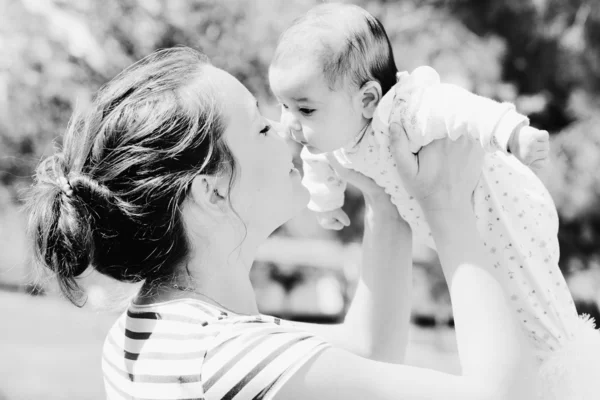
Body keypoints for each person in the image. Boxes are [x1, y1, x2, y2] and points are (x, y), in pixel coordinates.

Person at [26, 46, 535, 399]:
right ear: (213, 190)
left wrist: (384, 197)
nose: (289, 128)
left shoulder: (158, 333)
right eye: (262, 125)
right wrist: (447, 208)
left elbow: (367, 350)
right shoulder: (223, 359)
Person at [268, 4, 600, 399]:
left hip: (501, 208)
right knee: (501, 317)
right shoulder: (329, 132)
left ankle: (575, 380)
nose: (290, 123)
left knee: (537, 303)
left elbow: (460, 109)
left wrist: (512, 132)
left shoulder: (404, 112)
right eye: (284, 106)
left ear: (369, 99)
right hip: (456, 220)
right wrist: (326, 203)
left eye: (303, 108)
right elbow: (317, 164)